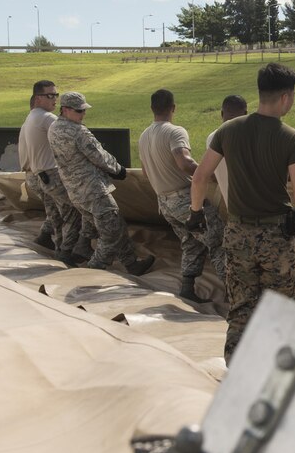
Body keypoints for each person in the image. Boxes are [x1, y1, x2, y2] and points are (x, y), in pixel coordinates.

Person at [188, 63, 295, 362]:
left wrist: (195, 213)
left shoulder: (227, 130)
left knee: (241, 305)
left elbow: (200, 176)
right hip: (276, 239)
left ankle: (236, 366)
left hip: (237, 234)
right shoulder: (292, 138)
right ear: (285, 97)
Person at [48, 92, 156, 275]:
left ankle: (131, 264)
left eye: (84, 110)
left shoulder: (53, 128)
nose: (83, 114)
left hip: (75, 192)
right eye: (79, 110)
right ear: (65, 110)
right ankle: (93, 268)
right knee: (111, 231)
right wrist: (118, 170)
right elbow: (98, 155)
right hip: (93, 190)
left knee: (115, 225)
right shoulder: (77, 131)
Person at [138, 89, 226, 303]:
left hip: (164, 203)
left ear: (152, 109)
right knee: (219, 240)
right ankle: (239, 292)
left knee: (191, 242)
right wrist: (208, 174)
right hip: (184, 200)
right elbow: (184, 162)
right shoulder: (175, 132)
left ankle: (187, 287)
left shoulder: (144, 136)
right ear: (173, 108)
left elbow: (144, 172)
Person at [18, 80, 94, 264]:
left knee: (57, 216)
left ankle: (61, 249)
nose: (55, 100)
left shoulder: (32, 117)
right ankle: (72, 251)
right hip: (51, 174)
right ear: (38, 98)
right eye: (50, 95)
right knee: (77, 211)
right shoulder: (46, 118)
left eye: (56, 95)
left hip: (38, 175)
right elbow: (70, 134)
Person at [205, 95, 248, 207]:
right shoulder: (250, 136)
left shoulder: (211, 138)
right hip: (258, 212)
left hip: (233, 211)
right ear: (246, 113)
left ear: (222, 113)